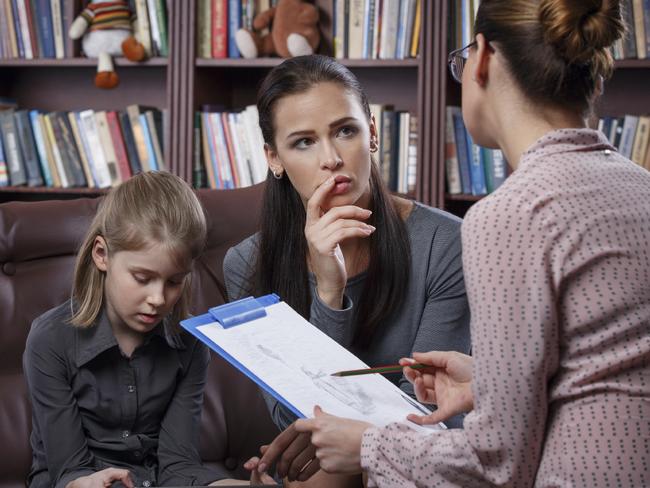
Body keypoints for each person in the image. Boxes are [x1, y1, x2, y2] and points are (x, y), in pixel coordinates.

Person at [253, 0, 650, 486]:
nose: (332, 159)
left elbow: (497, 463)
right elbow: (601, 373)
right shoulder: (641, 187)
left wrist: (368, 444)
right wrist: (486, 383)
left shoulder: (507, 216)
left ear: (481, 59)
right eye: (304, 142)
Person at [223, 55, 471, 486]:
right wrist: (328, 292)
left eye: (345, 131)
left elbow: (429, 416)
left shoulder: (448, 244)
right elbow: (288, 415)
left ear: (371, 133)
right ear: (274, 158)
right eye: (303, 142)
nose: (332, 158)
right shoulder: (245, 263)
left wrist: (336, 435)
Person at [23, 171, 273, 488]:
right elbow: (68, 470)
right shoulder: (50, 340)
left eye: (174, 281)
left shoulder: (191, 346)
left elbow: (179, 467)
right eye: (142, 278)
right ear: (102, 254)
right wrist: (83, 482)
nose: (158, 299)